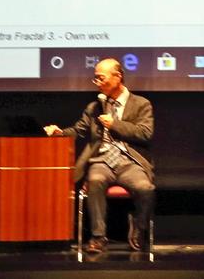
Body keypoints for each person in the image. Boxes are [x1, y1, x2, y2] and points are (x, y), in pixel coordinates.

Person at [44, 57, 155, 254]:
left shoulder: (141, 104)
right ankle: (98, 236)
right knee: (95, 180)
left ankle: (139, 227)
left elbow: (145, 133)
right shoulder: (94, 107)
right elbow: (78, 130)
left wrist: (115, 124)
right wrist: (59, 132)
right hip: (102, 160)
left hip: (130, 161)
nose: (97, 83)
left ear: (118, 77)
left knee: (145, 188)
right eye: (95, 78)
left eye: (101, 78)